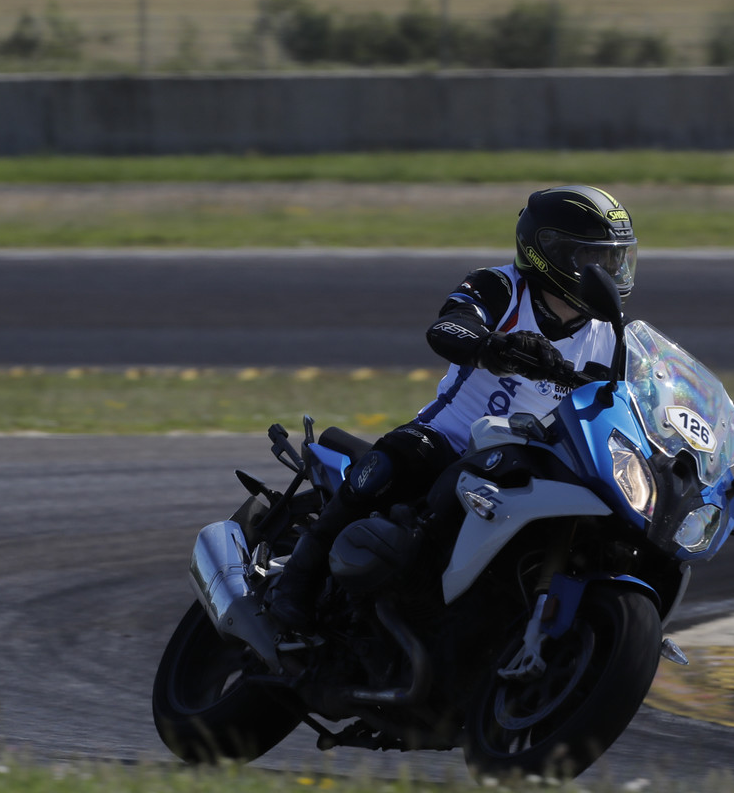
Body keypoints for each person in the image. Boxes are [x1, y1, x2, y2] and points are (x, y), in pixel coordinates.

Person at [266, 184, 639, 632]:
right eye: (594, 259)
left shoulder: (614, 336)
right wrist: (496, 347)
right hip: (451, 438)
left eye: (616, 259)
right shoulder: (501, 286)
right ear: (551, 253)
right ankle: (294, 584)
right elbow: (447, 326)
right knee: (398, 461)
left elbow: (640, 402)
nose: (610, 271)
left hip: (537, 459)